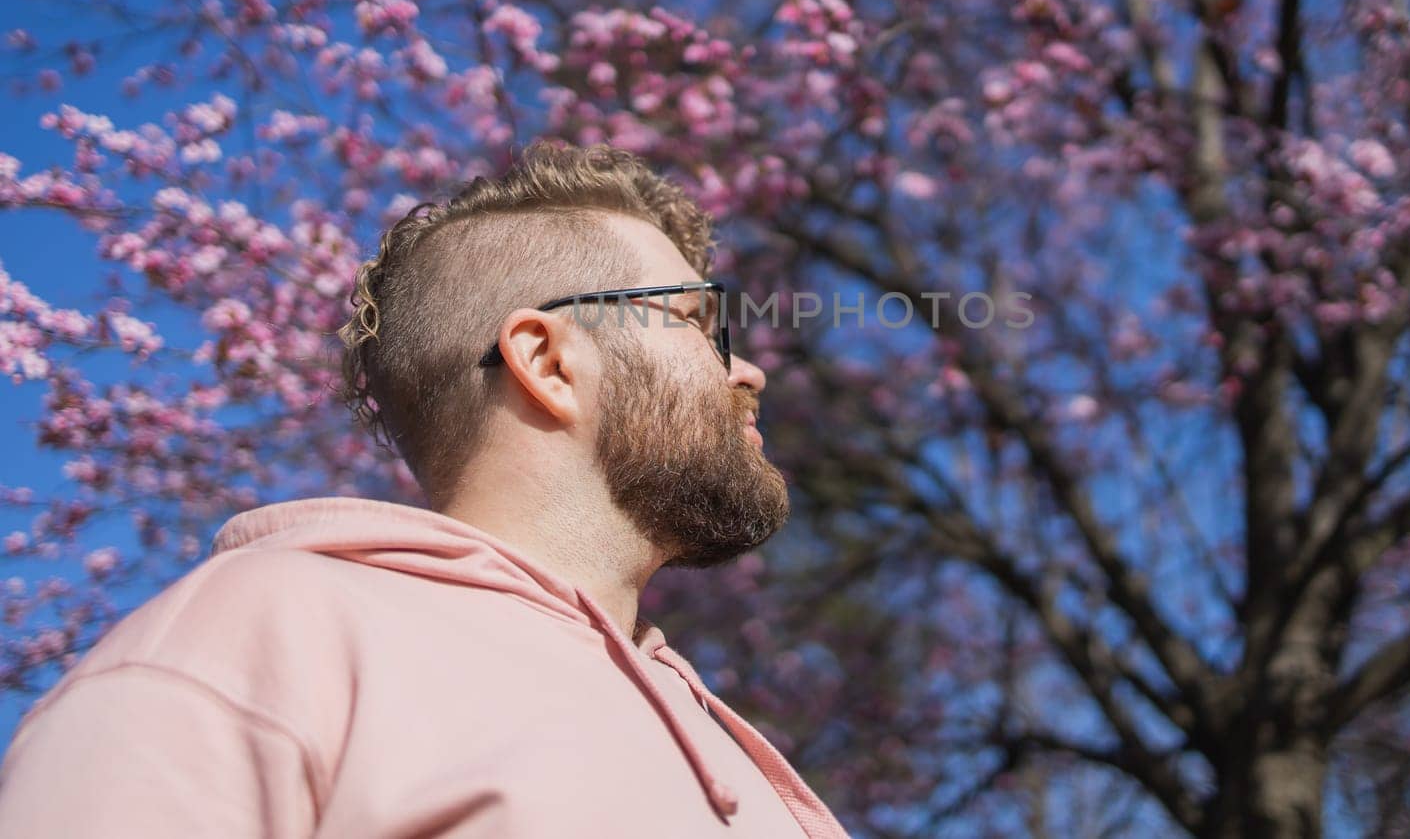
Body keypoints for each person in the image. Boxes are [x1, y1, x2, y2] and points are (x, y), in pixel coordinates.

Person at [0, 141, 851, 837]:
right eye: (699, 324)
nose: (750, 370)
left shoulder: (732, 751)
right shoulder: (270, 638)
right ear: (551, 362)